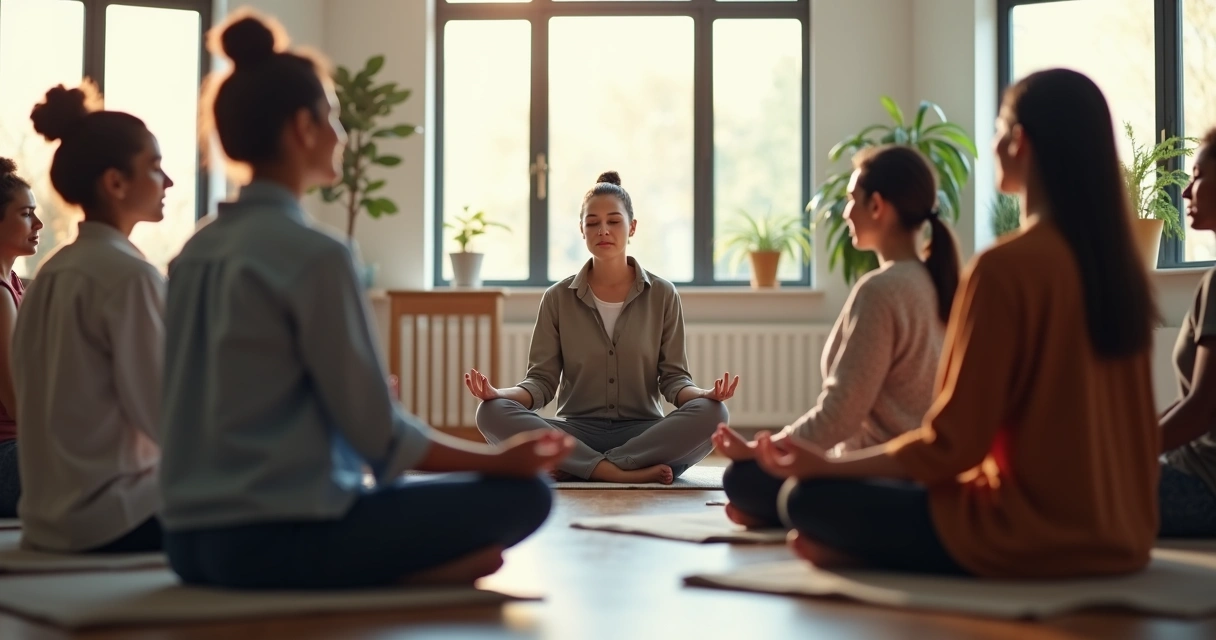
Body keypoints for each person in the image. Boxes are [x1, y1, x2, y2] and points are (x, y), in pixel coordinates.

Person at [159, 9, 572, 590]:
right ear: (302, 128)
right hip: (277, 541)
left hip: (185, 544)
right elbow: (380, 436)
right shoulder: (317, 254)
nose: (342, 134)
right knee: (528, 495)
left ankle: (417, 569)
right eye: (332, 116)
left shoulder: (191, 254)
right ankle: (415, 574)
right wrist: (499, 460)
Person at [747, 68, 1159, 578]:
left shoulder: (1005, 268)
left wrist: (830, 466)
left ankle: (862, 551)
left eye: (998, 128)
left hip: (1029, 532)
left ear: (1019, 141)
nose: (993, 143)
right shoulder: (1120, 272)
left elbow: (953, 448)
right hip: (1125, 534)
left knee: (805, 499)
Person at [716, 144, 960, 528]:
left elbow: (839, 417)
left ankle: (800, 523)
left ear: (877, 206)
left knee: (742, 479)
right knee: (760, 481)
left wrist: (760, 451)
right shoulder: (937, 282)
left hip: (879, 479)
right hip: (918, 479)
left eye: (850, 199)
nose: (845, 212)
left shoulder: (882, 290)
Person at [468, 171, 737, 484]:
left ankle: (581, 467)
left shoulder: (663, 294)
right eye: (592, 222)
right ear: (581, 230)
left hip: (643, 433)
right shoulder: (557, 298)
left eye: (614, 221)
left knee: (715, 414)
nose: (603, 230)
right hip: (575, 432)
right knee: (490, 412)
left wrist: (705, 394)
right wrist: (498, 394)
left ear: (632, 227)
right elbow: (541, 383)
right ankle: (617, 471)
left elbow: (674, 380)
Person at [9, 84, 166, 553]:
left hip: (46, 519)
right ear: (115, 183)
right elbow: (165, 415)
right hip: (114, 518)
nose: (168, 182)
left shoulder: (50, 274)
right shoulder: (129, 276)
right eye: (154, 167)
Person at [1158, 126, 1216, 537]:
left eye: (1197, 176)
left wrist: (1120, 456)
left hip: (1203, 487)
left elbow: (1200, 410)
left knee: (1058, 484)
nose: (1185, 192)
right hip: (1196, 474)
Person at [0, 158, 42, 518]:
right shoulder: (0, 294)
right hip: (7, 455)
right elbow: (16, 404)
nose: (38, 224)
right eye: (26, 214)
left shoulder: (15, 285)